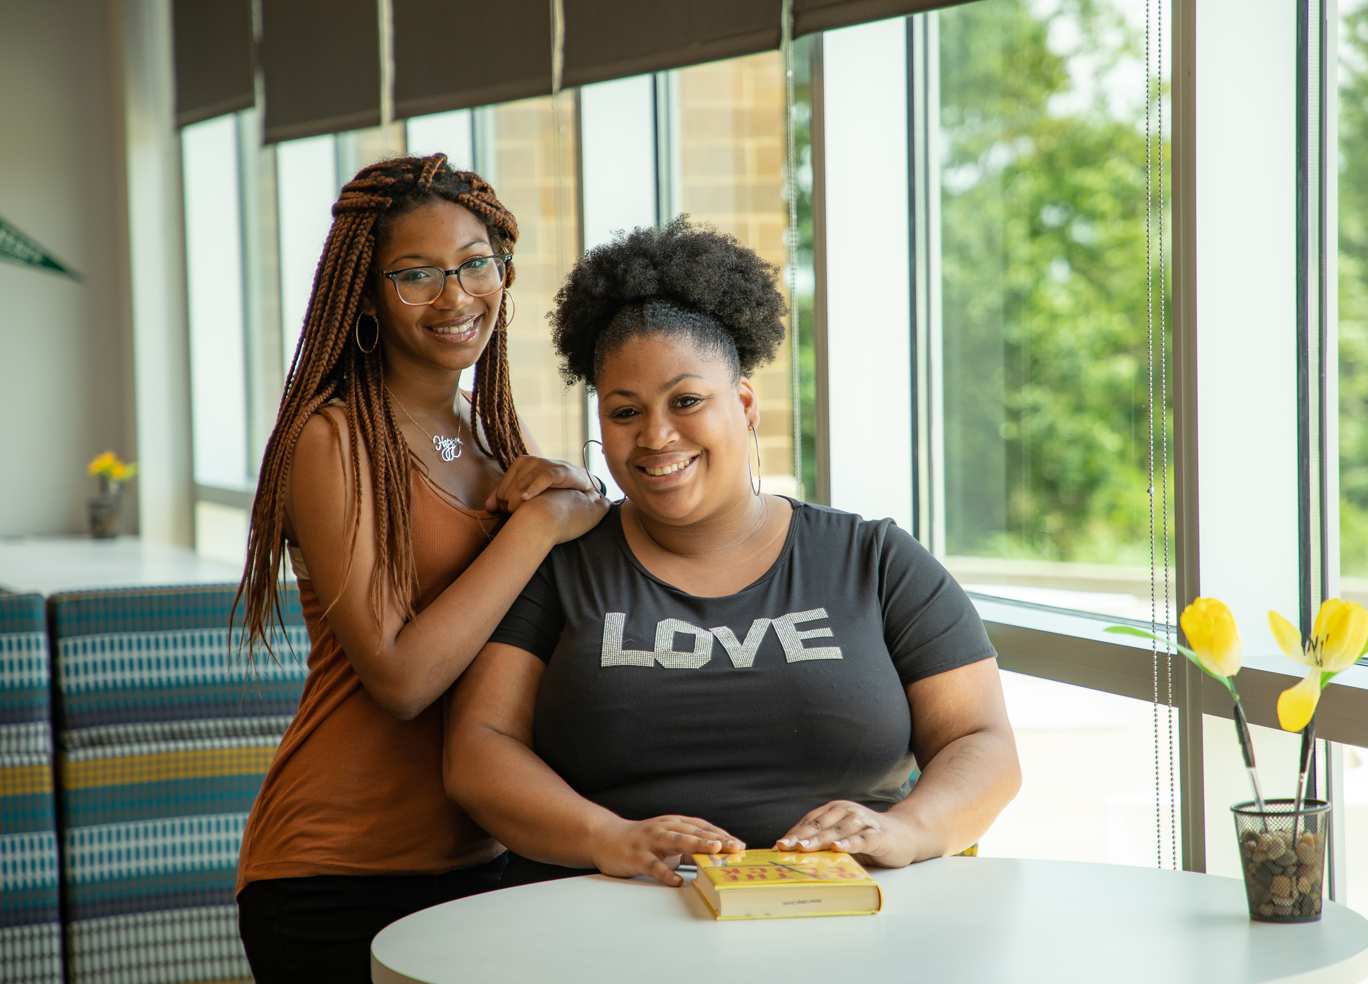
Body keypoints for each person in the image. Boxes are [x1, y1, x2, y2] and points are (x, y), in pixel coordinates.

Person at [444, 218, 1021, 889]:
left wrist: (907, 829)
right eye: (625, 413)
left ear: (745, 404)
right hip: (608, 924)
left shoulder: (876, 560)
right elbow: (478, 750)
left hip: (847, 920)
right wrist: (609, 838)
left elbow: (982, 742)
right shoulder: (561, 566)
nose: (656, 436)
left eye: (686, 400)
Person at [233, 154, 605, 980]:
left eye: (476, 264)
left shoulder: (495, 435)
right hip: (335, 875)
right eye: (417, 276)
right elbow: (399, 679)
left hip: (481, 863)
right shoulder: (334, 441)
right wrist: (539, 525)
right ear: (365, 292)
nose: (455, 296)